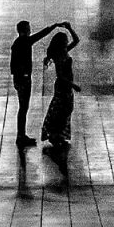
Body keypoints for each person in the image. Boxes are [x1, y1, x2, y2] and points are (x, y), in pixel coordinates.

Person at [10, 18, 72, 147]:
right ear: (24, 30)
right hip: (23, 80)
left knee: (23, 108)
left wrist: (54, 26)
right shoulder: (23, 42)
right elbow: (41, 34)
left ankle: (21, 135)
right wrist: (24, 74)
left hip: (21, 79)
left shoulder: (21, 42)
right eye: (28, 28)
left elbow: (41, 34)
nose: (30, 30)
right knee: (23, 107)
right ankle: (20, 136)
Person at [39, 27, 79, 155]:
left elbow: (76, 40)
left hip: (66, 87)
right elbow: (60, 76)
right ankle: (55, 134)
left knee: (65, 109)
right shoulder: (59, 56)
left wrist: (70, 28)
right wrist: (73, 85)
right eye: (66, 40)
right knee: (63, 109)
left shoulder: (64, 51)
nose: (68, 42)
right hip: (63, 87)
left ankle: (58, 134)